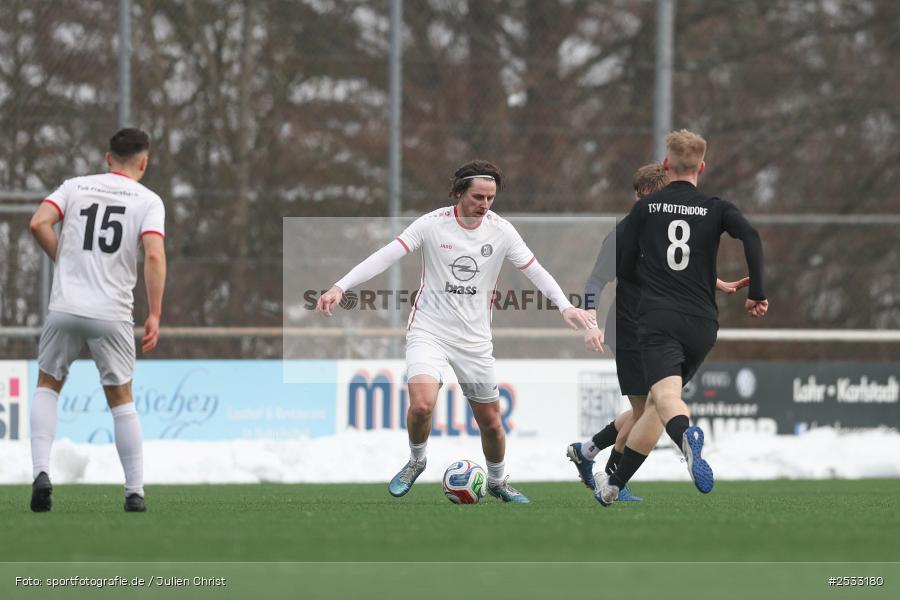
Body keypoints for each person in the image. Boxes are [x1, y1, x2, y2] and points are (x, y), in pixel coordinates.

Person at [317, 160, 594, 503]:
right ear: (459, 192)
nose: (485, 204)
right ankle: (416, 461)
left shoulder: (502, 230)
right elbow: (385, 256)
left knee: (491, 422)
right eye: (478, 196)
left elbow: (535, 271)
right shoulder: (432, 225)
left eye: (491, 197)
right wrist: (340, 287)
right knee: (421, 406)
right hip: (429, 331)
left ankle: (496, 481)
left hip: (475, 341)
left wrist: (564, 305)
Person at [594, 130, 768, 506]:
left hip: (659, 317)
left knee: (666, 397)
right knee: (655, 407)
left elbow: (625, 268)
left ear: (667, 164)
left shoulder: (645, 209)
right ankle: (612, 486)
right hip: (703, 320)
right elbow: (751, 237)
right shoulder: (717, 207)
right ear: (702, 167)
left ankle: (685, 435)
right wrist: (757, 294)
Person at [567, 163, 748, 502]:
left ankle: (588, 452)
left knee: (653, 406)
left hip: (662, 328)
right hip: (630, 330)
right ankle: (612, 479)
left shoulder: (665, 227)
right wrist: (590, 321)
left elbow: (677, 267)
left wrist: (715, 282)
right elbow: (595, 281)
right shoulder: (624, 232)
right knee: (646, 411)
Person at [28, 128, 166, 513]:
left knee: (48, 385)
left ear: (107, 159)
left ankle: (41, 473)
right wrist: (154, 312)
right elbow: (154, 256)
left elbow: (38, 222)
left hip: (66, 306)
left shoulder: (75, 186)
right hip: (112, 313)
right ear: (144, 162)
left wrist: (65, 262)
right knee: (121, 399)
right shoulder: (148, 201)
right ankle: (134, 492)